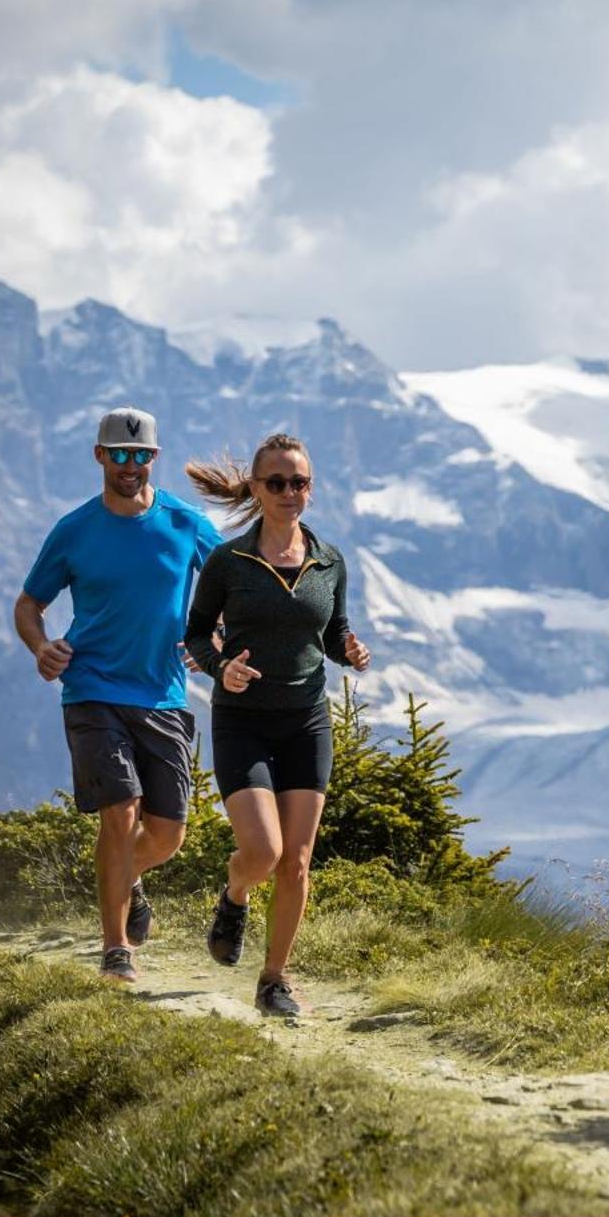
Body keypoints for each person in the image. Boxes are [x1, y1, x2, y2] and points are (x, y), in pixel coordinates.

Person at [15, 407, 222, 983]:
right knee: (119, 813)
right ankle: (116, 949)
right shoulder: (74, 529)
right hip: (92, 688)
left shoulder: (186, 523)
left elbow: (235, 583)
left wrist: (218, 636)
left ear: (153, 458)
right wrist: (41, 648)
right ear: (99, 454)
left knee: (167, 835)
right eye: (119, 454)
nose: (130, 466)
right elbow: (29, 604)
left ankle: (124, 876)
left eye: (141, 455)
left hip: (163, 695)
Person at [182, 432, 371, 1018]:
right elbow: (194, 633)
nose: (291, 492)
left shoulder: (330, 560)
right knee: (262, 852)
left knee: (297, 858)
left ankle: (274, 980)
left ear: (310, 489)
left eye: (301, 482)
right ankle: (235, 894)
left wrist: (350, 650)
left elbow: (333, 631)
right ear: (257, 490)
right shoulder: (227, 562)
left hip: (307, 721)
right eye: (278, 483)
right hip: (243, 723)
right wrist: (221, 669)